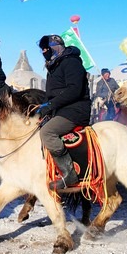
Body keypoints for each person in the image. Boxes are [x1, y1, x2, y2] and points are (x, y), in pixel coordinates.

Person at [35, 34, 92, 190]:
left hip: (75, 109)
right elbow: (51, 93)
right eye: (42, 49)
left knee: (47, 132)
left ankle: (69, 173)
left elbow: (74, 90)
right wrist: (42, 108)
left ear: (55, 47)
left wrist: (51, 105)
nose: (44, 52)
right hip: (61, 109)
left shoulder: (71, 62)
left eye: (46, 48)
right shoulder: (53, 66)